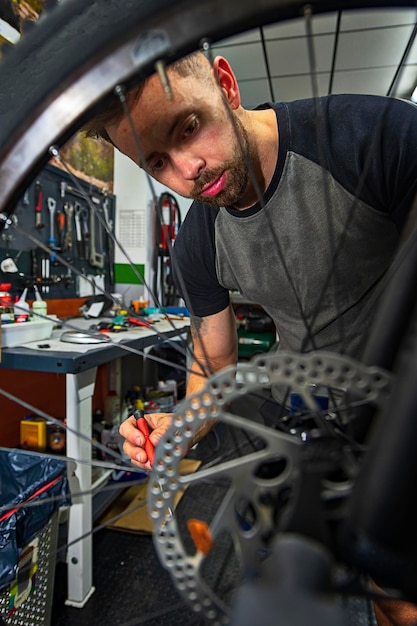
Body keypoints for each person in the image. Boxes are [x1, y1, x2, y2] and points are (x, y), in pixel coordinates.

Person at [85, 51, 417, 625]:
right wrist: (178, 428)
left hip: (406, 405)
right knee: (376, 589)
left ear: (225, 83)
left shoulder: (370, 137)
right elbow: (214, 361)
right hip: (326, 423)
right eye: (158, 162)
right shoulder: (198, 243)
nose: (187, 169)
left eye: (189, 127)